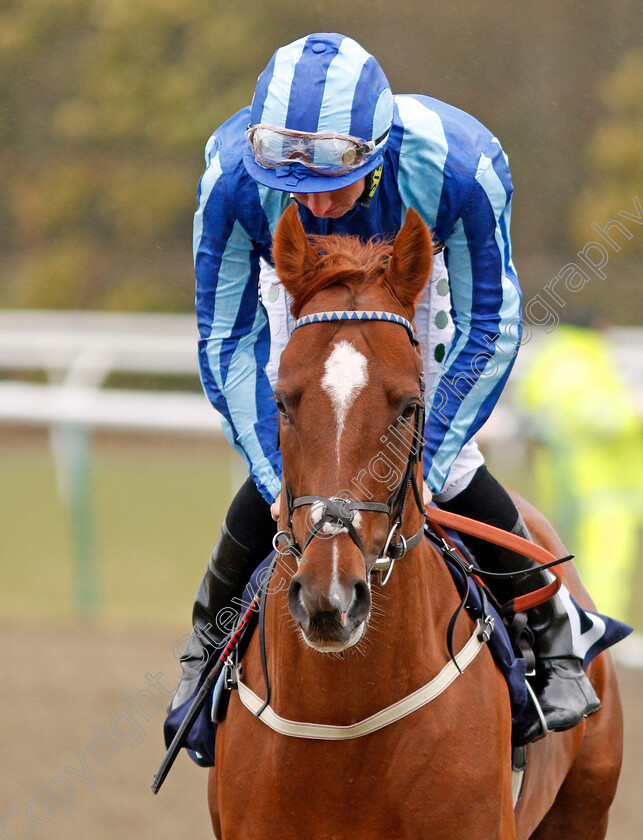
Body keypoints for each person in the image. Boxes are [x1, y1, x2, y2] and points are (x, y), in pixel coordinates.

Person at [172, 32, 600, 743]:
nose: (313, 200)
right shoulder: (232, 176)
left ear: (375, 150)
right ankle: (202, 648)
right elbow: (225, 337)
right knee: (308, 446)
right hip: (300, 284)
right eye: (291, 182)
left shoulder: (457, 164)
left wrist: (426, 458)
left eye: (333, 181)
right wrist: (274, 465)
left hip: (413, 280)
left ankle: (554, 633)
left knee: (445, 464)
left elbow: (490, 325)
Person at [519, 319, 642, 622]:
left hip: (572, 485)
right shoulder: (575, 364)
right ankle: (600, 629)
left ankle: (578, 626)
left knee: (572, 562)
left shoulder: (553, 360)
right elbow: (601, 420)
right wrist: (634, 413)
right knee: (604, 566)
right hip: (601, 487)